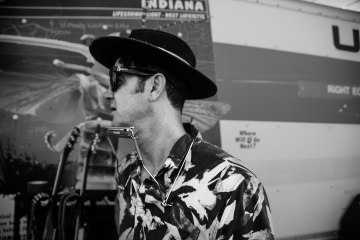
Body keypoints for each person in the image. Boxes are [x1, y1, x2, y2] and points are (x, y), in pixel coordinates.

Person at [89, 29, 275, 240]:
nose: (106, 94)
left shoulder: (234, 186)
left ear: (154, 87)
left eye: (116, 78)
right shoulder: (127, 170)